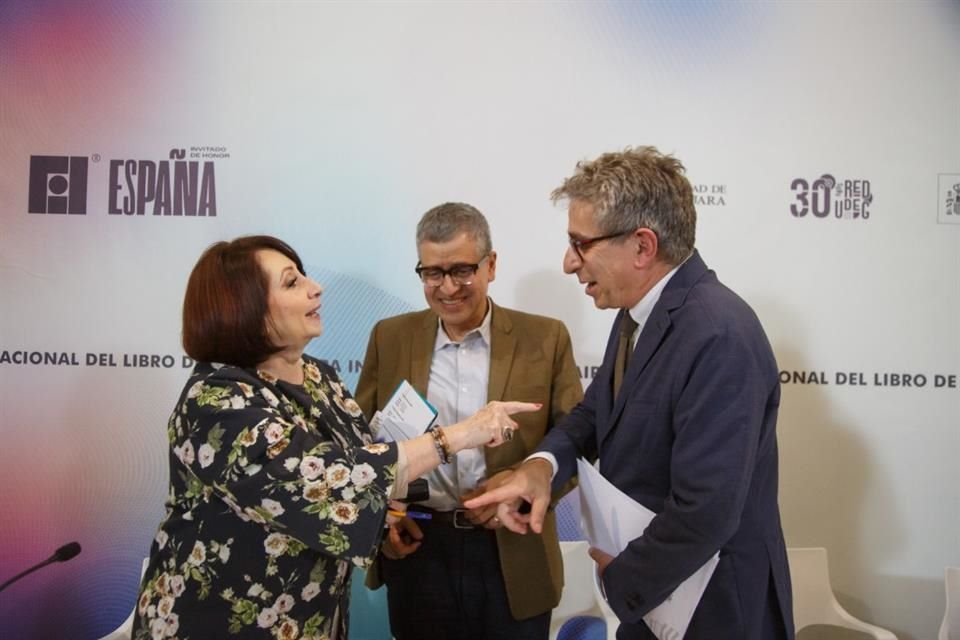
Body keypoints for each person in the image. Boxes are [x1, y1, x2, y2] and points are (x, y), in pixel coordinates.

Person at [132, 235, 537, 640]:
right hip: (222, 620)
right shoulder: (218, 399)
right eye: (292, 283)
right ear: (244, 307)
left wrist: (391, 517)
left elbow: (364, 455)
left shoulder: (317, 374)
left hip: (310, 618)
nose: (315, 288)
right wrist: (460, 435)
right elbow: (326, 479)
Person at [466, 148, 796, 640]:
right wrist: (541, 467)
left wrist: (618, 578)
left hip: (714, 613)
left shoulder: (717, 334)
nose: (568, 263)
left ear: (642, 246)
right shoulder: (637, 314)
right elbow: (594, 414)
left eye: (580, 244)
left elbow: (706, 510)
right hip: (660, 601)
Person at [355, 203, 583, 640]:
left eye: (461, 270)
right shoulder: (390, 337)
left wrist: (523, 491)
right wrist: (385, 516)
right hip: (419, 546)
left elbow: (574, 439)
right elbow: (364, 443)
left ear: (490, 265)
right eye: (432, 273)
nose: (447, 288)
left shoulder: (546, 338)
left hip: (513, 551)